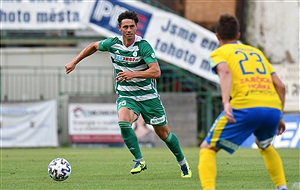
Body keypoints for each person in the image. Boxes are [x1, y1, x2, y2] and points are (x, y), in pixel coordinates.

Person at [65, 10, 191, 178]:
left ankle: (183, 164)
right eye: (126, 27)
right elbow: (94, 46)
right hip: (127, 96)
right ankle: (140, 160)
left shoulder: (143, 46)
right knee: (123, 121)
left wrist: (133, 74)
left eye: (132, 26)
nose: (129, 30)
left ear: (136, 27)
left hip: (148, 98)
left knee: (164, 135)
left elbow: (156, 72)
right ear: (120, 28)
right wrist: (74, 62)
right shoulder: (113, 43)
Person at [198, 14, 287, 190]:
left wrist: (225, 102)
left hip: (245, 106)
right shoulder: (256, 52)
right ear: (238, 35)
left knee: (207, 148)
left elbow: (224, 72)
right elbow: (280, 86)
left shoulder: (219, 52)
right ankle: (282, 187)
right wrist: (280, 115)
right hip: (272, 108)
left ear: (217, 36)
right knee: (265, 145)